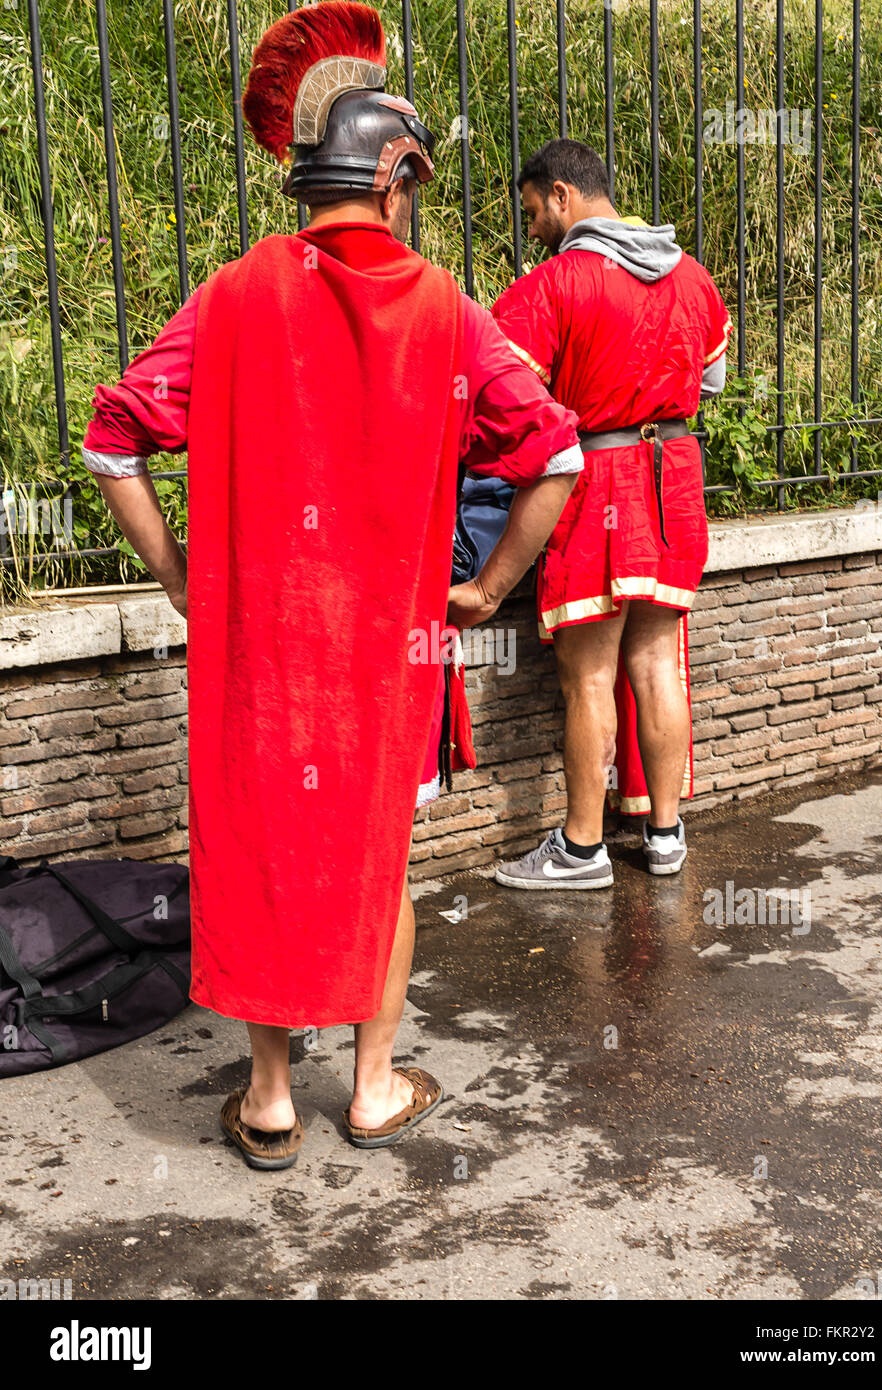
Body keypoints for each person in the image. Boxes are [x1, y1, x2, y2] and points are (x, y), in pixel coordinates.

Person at [81, 2, 582, 1168]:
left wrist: (184, 580)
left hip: (261, 650)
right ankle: (368, 1086)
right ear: (397, 174)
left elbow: (113, 440)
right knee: (376, 862)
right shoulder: (448, 308)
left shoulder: (236, 294)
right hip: (390, 655)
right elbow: (554, 456)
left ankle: (266, 1098)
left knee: (263, 852)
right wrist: (485, 587)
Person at [490, 139, 731, 889]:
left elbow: (504, 400)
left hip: (597, 479)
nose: (532, 228)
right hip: (675, 479)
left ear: (562, 196)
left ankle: (583, 848)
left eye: (532, 211)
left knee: (587, 678)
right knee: (659, 665)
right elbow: (714, 379)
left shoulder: (555, 283)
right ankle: (664, 837)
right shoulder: (692, 276)